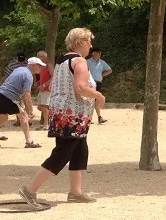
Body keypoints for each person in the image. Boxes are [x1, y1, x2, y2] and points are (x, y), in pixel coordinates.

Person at [18, 28, 105, 207]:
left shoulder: (62, 60)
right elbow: (80, 88)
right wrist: (98, 95)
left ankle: (75, 192)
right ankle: (30, 189)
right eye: (88, 41)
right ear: (80, 42)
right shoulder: (80, 61)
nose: (91, 45)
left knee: (80, 151)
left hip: (63, 113)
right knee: (62, 153)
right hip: (73, 115)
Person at [0, 56, 46, 149]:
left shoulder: (19, 69)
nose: (41, 68)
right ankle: (29, 141)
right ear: (33, 65)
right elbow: (27, 95)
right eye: (40, 66)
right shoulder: (28, 76)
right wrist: (31, 110)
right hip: (9, 97)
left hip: (0, 93)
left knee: (3, 118)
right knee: (24, 116)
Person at [87, 47, 112, 124]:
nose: (99, 54)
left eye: (100, 53)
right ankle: (88, 117)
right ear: (93, 53)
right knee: (89, 100)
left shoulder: (102, 62)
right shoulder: (87, 61)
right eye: (97, 53)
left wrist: (102, 75)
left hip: (98, 82)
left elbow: (109, 70)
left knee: (97, 100)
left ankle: (99, 117)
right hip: (90, 83)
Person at [36, 50, 53, 130]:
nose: (37, 58)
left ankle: (46, 124)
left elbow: (53, 77)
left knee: (44, 107)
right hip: (42, 89)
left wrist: (44, 85)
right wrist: (39, 82)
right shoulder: (42, 66)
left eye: (38, 56)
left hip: (47, 89)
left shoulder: (49, 66)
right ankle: (47, 123)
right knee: (40, 107)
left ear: (43, 57)